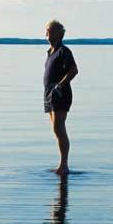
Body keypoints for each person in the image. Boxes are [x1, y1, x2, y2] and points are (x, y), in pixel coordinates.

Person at [43, 20, 78, 175]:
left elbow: (73, 70)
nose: (46, 33)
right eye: (46, 30)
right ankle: (62, 165)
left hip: (60, 93)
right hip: (49, 93)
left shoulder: (64, 51)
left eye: (49, 30)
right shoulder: (50, 51)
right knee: (56, 129)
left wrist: (60, 86)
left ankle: (64, 165)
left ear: (59, 33)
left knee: (59, 128)